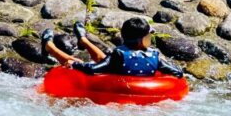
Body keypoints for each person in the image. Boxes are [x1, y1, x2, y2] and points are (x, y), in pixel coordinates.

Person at [40, 17, 184, 77]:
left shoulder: (119, 55)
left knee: (101, 59)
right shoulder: (155, 57)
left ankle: (78, 40)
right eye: (148, 36)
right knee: (78, 61)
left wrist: (77, 65)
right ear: (141, 40)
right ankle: (52, 45)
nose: (150, 39)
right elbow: (178, 73)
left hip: (115, 72)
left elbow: (92, 68)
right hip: (114, 76)